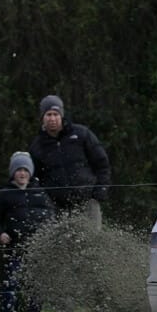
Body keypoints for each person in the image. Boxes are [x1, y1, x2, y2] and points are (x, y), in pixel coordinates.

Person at [0, 151, 56, 312]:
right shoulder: (4, 194)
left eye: (25, 170)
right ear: (13, 173)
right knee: (11, 282)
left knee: (37, 282)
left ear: (30, 172)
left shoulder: (41, 193)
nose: (22, 173)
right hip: (14, 247)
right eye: (19, 170)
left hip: (37, 246)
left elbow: (51, 216)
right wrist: (0, 233)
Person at [28, 95, 111, 228]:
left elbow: (101, 163)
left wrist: (101, 189)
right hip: (58, 208)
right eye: (48, 114)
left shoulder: (82, 134)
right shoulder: (37, 146)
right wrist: (45, 201)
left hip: (88, 201)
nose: (52, 118)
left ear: (61, 115)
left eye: (55, 114)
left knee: (92, 243)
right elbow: (34, 179)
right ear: (42, 117)